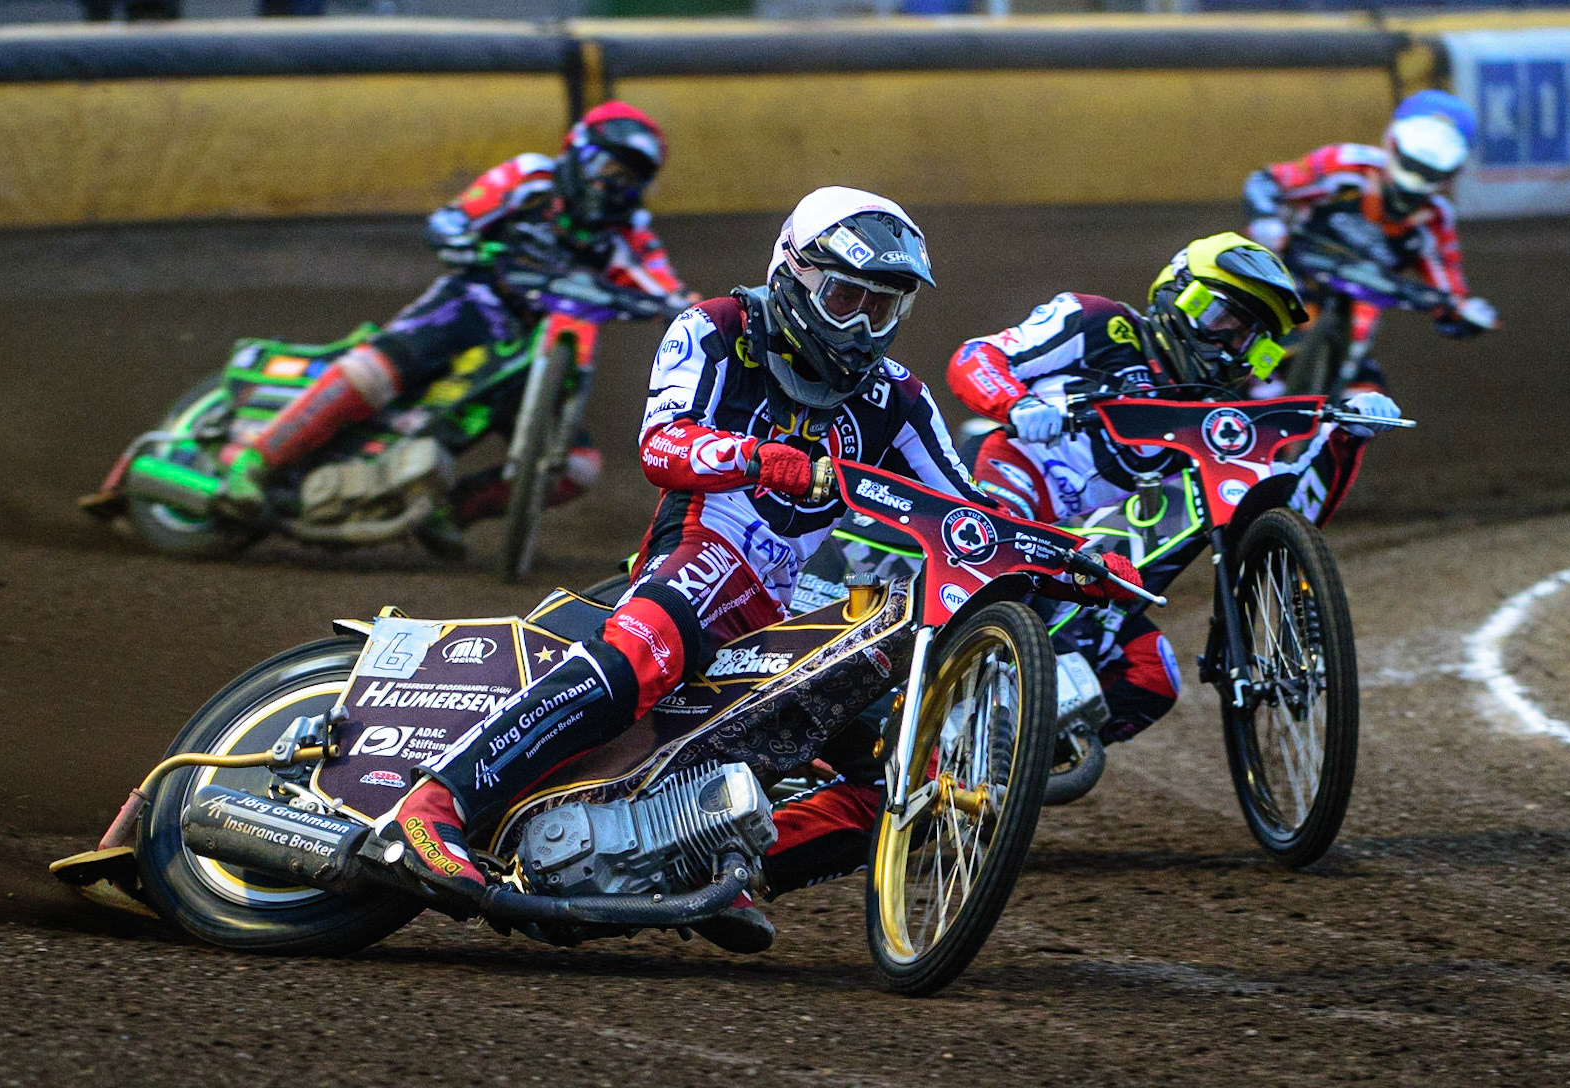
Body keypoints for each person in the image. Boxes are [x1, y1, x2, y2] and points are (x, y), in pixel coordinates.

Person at [372, 186, 1141, 946]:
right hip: (704, 549)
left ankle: (712, 864)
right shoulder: (714, 329)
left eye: (883, 308)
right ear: (792, 274)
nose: (862, 326)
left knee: (899, 774)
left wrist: (1069, 556)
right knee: (639, 654)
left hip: (796, 596)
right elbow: (660, 446)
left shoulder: (896, 398)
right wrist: (756, 459)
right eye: (846, 298)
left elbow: (965, 507)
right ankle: (437, 804)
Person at [946, 232, 1400, 747]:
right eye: (1222, 318)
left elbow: (1284, 513)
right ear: (1176, 292)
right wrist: (1016, 405)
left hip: (1096, 553)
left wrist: (1344, 437)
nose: (1231, 345)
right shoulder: (1096, 321)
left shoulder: (1217, 415)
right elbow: (977, 356)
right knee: (1005, 577)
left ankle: (1008, 766)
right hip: (1015, 480)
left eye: (1253, 339)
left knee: (1152, 677)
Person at [216, 101, 690, 544]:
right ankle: (254, 464)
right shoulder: (531, 177)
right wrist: (457, 234)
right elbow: (458, 215)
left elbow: (667, 288)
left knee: (577, 467)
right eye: (608, 166)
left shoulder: (631, 232)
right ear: (577, 152)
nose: (614, 183)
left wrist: (687, 311)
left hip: (537, 347)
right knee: (375, 372)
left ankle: (448, 513)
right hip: (474, 301)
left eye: (630, 176)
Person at [1242, 89, 1497, 397]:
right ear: (1392, 143)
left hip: (1358, 313)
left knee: (1367, 405)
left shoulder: (1435, 219)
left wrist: (1465, 311)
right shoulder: (1346, 166)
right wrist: (1267, 219)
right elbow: (1267, 181)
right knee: (1238, 353)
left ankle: (1325, 431)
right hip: (1288, 279)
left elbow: (1448, 287)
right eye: (1411, 164)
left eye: (1430, 173)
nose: (1414, 182)